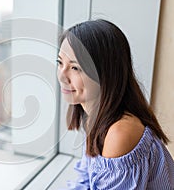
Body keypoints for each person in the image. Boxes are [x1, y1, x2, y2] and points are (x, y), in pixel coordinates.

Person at [57, 19, 174, 189]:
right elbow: (87, 180)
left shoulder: (120, 133)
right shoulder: (94, 116)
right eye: (59, 63)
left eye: (75, 68)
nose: (62, 76)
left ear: (104, 73)